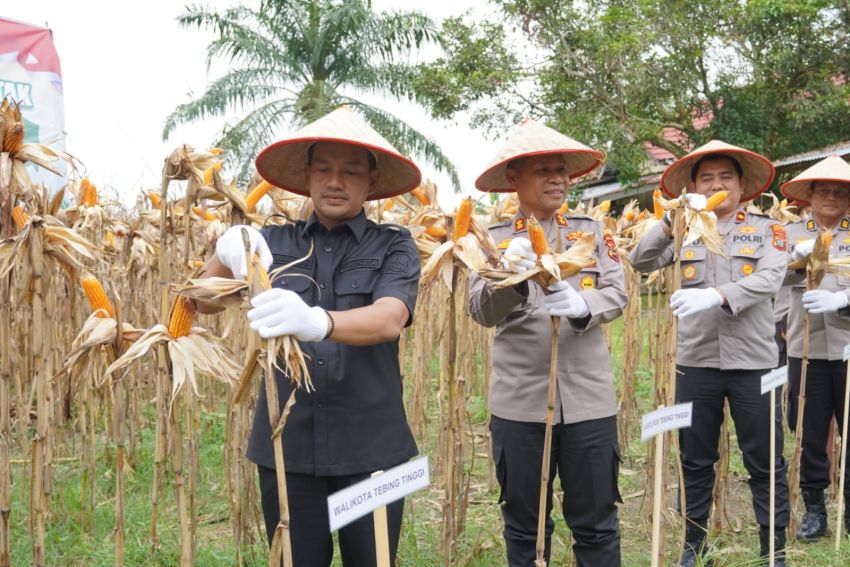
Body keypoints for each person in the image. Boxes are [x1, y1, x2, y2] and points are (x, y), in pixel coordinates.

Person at [199, 107, 422, 567]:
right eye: (323, 169)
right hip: (287, 449)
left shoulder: (395, 245)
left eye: (350, 171)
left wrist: (319, 322)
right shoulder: (271, 242)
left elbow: (388, 319)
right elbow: (199, 301)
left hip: (373, 451)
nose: (335, 181)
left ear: (371, 182)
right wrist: (225, 250)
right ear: (307, 175)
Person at [469, 118, 626, 566]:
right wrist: (511, 281)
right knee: (525, 525)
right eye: (543, 170)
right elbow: (479, 311)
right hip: (521, 405)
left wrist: (583, 305)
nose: (557, 178)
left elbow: (618, 293)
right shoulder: (494, 241)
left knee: (596, 522)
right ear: (514, 179)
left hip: (589, 401)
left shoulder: (593, 232)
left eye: (561, 170)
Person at [629, 140, 789, 566]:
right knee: (695, 460)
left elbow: (771, 279)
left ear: (741, 186)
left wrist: (717, 295)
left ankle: (774, 549)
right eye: (707, 178)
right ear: (694, 186)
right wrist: (668, 222)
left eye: (725, 177)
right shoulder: (684, 228)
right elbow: (639, 262)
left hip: (754, 361)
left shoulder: (766, 229)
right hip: (695, 361)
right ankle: (693, 545)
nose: (717, 184)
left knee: (764, 459)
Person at [780, 155, 850, 541]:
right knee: (809, 427)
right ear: (809, 194)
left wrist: (843, 301)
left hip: (848, 348)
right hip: (803, 348)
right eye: (824, 190)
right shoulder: (788, 234)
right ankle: (814, 509)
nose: (831, 197)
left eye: (840, 192)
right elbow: (765, 284)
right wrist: (792, 263)